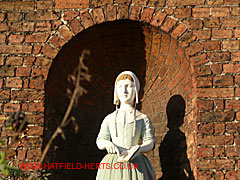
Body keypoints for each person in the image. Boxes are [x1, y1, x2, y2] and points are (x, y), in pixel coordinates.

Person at [96, 71, 155, 180]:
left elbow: (150, 142)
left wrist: (139, 148)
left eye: (129, 86)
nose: (124, 90)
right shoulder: (109, 118)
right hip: (113, 164)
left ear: (136, 90)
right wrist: (106, 143)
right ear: (116, 90)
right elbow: (100, 140)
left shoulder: (142, 118)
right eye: (120, 86)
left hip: (135, 163)